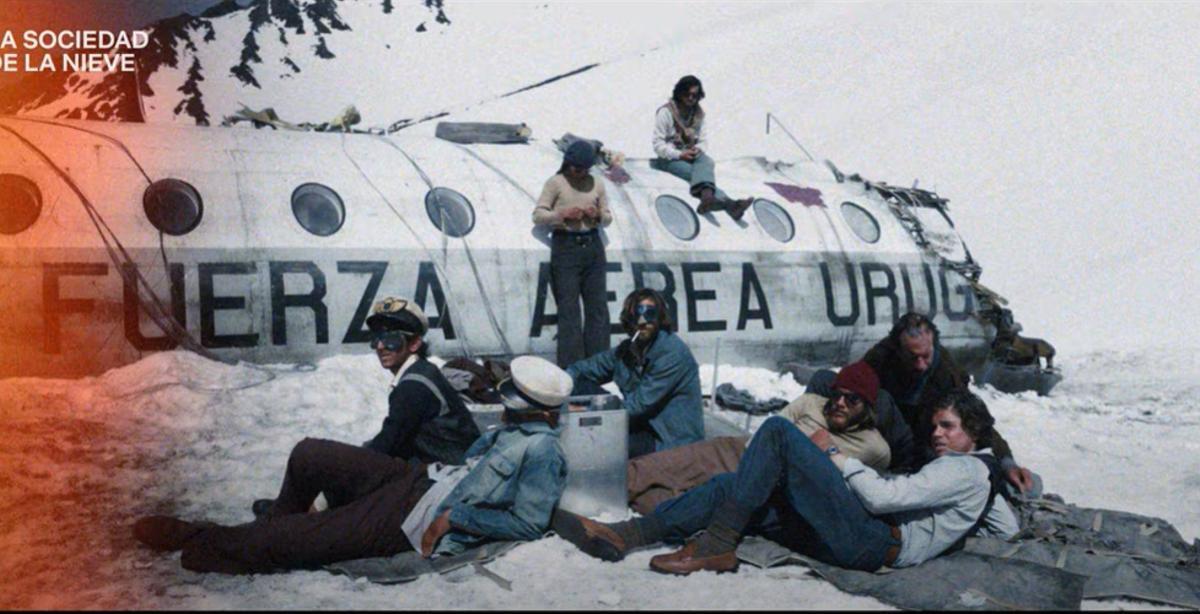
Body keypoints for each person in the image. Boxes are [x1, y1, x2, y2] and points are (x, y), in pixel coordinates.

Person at [131, 355, 573, 574]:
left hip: (415, 515)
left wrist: (455, 517)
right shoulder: (514, 431)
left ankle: (206, 539)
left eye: (515, 401)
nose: (506, 407)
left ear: (541, 411)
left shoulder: (543, 451)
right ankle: (270, 533)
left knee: (309, 535)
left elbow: (529, 522)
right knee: (311, 453)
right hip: (417, 479)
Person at [556, 390, 1019, 576]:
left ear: (973, 433)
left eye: (949, 427)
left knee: (779, 434)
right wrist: (956, 528)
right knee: (733, 488)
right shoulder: (979, 476)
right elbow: (1006, 528)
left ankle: (716, 543)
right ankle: (626, 535)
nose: (937, 434)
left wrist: (837, 458)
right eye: (936, 426)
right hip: (871, 537)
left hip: (874, 539)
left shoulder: (961, 470)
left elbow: (880, 497)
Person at [863, 312, 1038, 494]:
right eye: (913, 357)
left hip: (923, 440)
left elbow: (975, 420)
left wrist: (1006, 462)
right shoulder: (879, 360)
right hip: (884, 436)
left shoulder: (945, 373)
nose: (921, 365)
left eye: (926, 356)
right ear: (898, 350)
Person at [567, 288, 704, 457]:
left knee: (598, 443)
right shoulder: (628, 349)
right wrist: (560, 388)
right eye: (636, 315)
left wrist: (586, 409)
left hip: (667, 439)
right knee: (579, 384)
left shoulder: (672, 353)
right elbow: (583, 369)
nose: (642, 321)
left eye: (649, 314)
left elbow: (637, 406)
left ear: (660, 317)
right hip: (639, 424)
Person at [360, 296, 481, 465]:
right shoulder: (423, 369)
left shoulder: (413, 386)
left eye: (391, 339)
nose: (380, 347)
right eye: (376, 338)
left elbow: (386, 445)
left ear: (415, 343)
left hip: (451, 474)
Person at [532, 140, 614, 368]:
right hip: (565, 246)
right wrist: (561, 214)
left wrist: (597, 215)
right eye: (577, 169)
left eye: (586, 169)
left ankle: (599, 365)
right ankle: (572, 368)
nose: (581, 174)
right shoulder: (555, 183)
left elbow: (608, 217)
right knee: (569, 310)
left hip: (592, 246)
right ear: (568, 165)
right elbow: (538, 215)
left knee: (597, 308)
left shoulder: (596, 184)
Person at [651, 75, 752, 220]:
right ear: (679, 93)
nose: (691, 98)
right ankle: (729, 204)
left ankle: (709, 200)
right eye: (687, 94)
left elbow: (703, 141)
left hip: (690, 154)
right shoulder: (666, 113)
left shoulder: (698, 114)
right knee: (698, 175)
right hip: (670, 158)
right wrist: (679, 155)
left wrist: (698, 149)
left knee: (707, 162)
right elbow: (658, 145)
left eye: (695, 95)